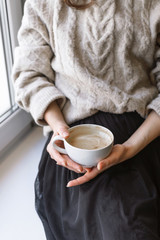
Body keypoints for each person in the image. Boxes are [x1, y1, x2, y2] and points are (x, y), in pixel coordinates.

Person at [12, 0, 160, 239]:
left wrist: (130, 148)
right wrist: (60, 130)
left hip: (141, 133)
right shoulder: (44, 4)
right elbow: (30, 74)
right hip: (71, 139)